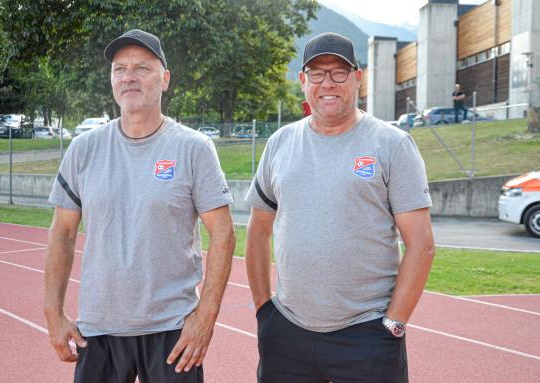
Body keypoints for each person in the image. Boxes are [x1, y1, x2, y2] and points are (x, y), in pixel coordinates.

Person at [44, 29, 236, 383]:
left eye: (142, 68)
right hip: (98, 331)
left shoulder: (193, 148)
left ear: (165, 79)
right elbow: (62, 234)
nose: (129, 76)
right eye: (120, 69)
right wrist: (53, 314)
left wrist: (206, 316)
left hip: (172, 331)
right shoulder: (84, 149)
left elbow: (223, 231)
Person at [245, 32, 435, 383]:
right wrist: (263, 310)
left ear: (357, 78)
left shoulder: (392, 144)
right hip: (287, 331)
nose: (327, 83)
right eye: (316, 74)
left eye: (339, 73)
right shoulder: (280, 144)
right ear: (303, 81)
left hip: (366, 333)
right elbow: (258, 229)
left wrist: (392, 324)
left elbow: (421, 244)